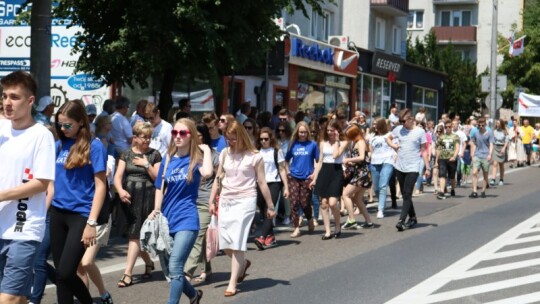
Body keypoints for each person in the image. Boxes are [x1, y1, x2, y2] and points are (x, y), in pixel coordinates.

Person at [0, 71, 56, 304]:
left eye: (14, 97)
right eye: (4, 96)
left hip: (23, 228)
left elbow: (41, 183)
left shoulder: (41, 135)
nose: (7, 103)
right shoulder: (2, 130)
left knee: (8, 299)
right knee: (18, 298)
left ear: (30, 101)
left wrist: (2, 195)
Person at [206, 121, 275, 297]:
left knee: (237, 241)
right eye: (228, 139)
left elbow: (261, 182)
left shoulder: (255, 156)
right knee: (224, 242)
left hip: (246, 200)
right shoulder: (224, 153)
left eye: (233, 138)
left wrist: (270, 205)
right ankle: (243, 265)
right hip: (226, 199)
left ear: (242, 136)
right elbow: (218, 178)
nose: (230, 142)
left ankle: (232, 282)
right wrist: (212, 199)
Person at [50, 99, 107, 304]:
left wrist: (91, 223)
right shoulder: (58, 145)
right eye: (59, 124)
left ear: (81, 122)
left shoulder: (95, 146)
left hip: (81, 215)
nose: (63, 128)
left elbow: (100, 186)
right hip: (57, 213)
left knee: (66, 272)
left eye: (67, 125)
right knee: (60, 276)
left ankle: (88, 302)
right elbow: (51, 183)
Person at [149, 118, 211, 303]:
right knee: (171, 270)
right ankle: (193, 295)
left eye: (182, 133)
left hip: (187, 218)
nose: (177, 136)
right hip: (167, 219)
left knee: (176, 266)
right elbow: (160, 187)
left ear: (191, 136)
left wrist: (206, 150)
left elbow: (207, 173)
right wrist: (156, 210)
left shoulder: (196, 159)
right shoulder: (167, 158)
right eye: (174, 133)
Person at [114, 121, 162, 288]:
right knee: (135, 236)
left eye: (149, 137)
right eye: (144, 137)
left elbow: (158, 178)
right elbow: (118, 177)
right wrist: (120, 191)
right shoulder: (126, 154)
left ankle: (127, 273)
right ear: (135, 137)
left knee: (135, 236)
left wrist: (146, 164)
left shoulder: (155, 154)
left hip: (146, 197)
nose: (147, 141)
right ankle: (148, 263)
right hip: (129, 197)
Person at [184, 123, 219, 284]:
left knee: (197, 237)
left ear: (204, 136)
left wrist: (216, 200)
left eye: (198, 135)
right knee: (201, 238)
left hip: (205, 201)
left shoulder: (213, 155)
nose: (195, 138)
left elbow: (218, 179)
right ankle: (208, 269)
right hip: (189, 201)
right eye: (193, 134)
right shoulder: (187, 154)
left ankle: (187, 273)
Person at [387, 108, 430, 231]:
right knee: (406, 195)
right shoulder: (398, 130)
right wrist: (393, 145)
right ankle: (413, 217)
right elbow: (388, 138)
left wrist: (427, 167)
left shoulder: (420, 132)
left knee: (407, 193)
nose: (402, 123)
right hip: (400, 166)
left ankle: (401, 220)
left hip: (413, 166)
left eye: (403, 121)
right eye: (400, 121)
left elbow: (423, 150)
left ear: (411, 119)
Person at [254, 127, 289, 250]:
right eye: (261, 139)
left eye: (266, 139)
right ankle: (271, 236)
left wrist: (286, 187)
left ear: (270, 139)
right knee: (263, 209)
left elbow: (282, 169)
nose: (263, 141)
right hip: (259, 183)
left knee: (270, 209)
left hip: (274, 183)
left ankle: (262, 237)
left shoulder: (276, 151)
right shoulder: (256, 151)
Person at [286, 122, 318, 238]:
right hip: (293, 176)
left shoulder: (313, 145)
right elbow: (286, 160)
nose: (303, 134)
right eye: (301, 132)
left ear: (308, 132)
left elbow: (318, 161)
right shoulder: (293, 145)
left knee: (305, 203)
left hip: (307, 178)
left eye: (304, 132)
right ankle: (296, 228)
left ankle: (309, 218)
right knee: (294, 202)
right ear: (297, 133)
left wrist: (314, 174)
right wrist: (288, 171)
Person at [339, 124, 375, 230]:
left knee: (345, 194)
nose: (348, 138)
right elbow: (360, 160)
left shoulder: (360, 142)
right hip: (360, 173)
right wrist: (351, 164)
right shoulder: (356, 142)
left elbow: (361, 157)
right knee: (357, 199)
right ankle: (369, 222)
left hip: (361, 174)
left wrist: (348, 160)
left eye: (349, 135)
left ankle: (351, 220)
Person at [369, 118, 395, 219]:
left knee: (383, 185)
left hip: (387, 162)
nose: (374, 126)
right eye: (374, 124)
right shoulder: (372, 137)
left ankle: (380, 209)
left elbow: (394, 146)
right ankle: (382, 203)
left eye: (376, 124)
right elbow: (371, 150)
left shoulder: (389, 135)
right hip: (375, 162)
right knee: (376, 187)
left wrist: (395, 154)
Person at [469, 117, 494, 198]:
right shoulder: (476, 132)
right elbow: (473, 142)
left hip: (486, 155)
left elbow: (491, 144)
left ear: (485, 125)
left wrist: (490, 154)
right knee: (474, 172)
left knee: (485, 174)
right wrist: (472, 153)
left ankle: (483, 190)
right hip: (477, 155)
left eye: (482, 125)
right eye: (479, 125)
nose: (481, 127)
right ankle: (474, 191)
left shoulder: (489, 132)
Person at [435, 121, 460, 200]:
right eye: (446, 127)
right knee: (442, 174)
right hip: (442, 158)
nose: (448, 128)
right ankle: (442, 192)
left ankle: (452, 189)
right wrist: (436, 160)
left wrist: (454, 156)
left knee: (452, 176)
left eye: (449, 127)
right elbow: (438, 149)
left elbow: (457, 147)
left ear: (451, 127)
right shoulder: (441, 137)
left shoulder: (455, 136)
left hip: (451, 158)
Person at [490, 119, 509, 186]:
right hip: (495, 147)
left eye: (498, 123)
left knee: (501, 164)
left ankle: (501, 179)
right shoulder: (494, 131)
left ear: (501, 124)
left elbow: (507, 141)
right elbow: (492, 140)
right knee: (495, 164)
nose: (497, 124)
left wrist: (504, 148)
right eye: (496, 123)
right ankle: (493, 179)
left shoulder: (505, 132)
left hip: (502, 148)